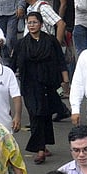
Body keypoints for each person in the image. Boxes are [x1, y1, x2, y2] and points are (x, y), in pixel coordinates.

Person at [13, 12, 68, 163]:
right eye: (29, 23)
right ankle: (39, 150)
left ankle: (42, 145)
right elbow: (12, 66)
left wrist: (65, 81)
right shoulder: (22, 44)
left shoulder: (50, 41)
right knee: (35, 115)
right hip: (29, 86)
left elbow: (60, 61)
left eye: (34, 22)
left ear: (41, 24)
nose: (31, 25)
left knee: (45, 115)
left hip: (48, 84)